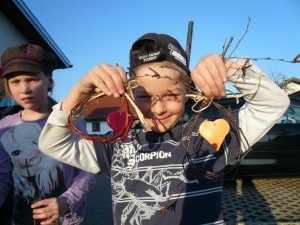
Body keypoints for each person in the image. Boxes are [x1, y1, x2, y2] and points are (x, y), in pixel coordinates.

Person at [38, 33, 289, 225]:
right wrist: (78, 93)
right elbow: (51, 144)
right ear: (129, 94)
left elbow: (274, 103)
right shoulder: (116, 146)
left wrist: (232, 69)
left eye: (170, 94)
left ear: (188, 92)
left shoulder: (208, 136)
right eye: (144, 96)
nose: (157, 109)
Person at [0, 44, 96, 225]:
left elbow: (88, 171)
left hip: (66, 220)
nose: (24, 89)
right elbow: (3, 175)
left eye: (32, 79)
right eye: (15, 82)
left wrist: (67, 201)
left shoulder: (72, 121)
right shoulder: (4, 127)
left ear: (49, 81)